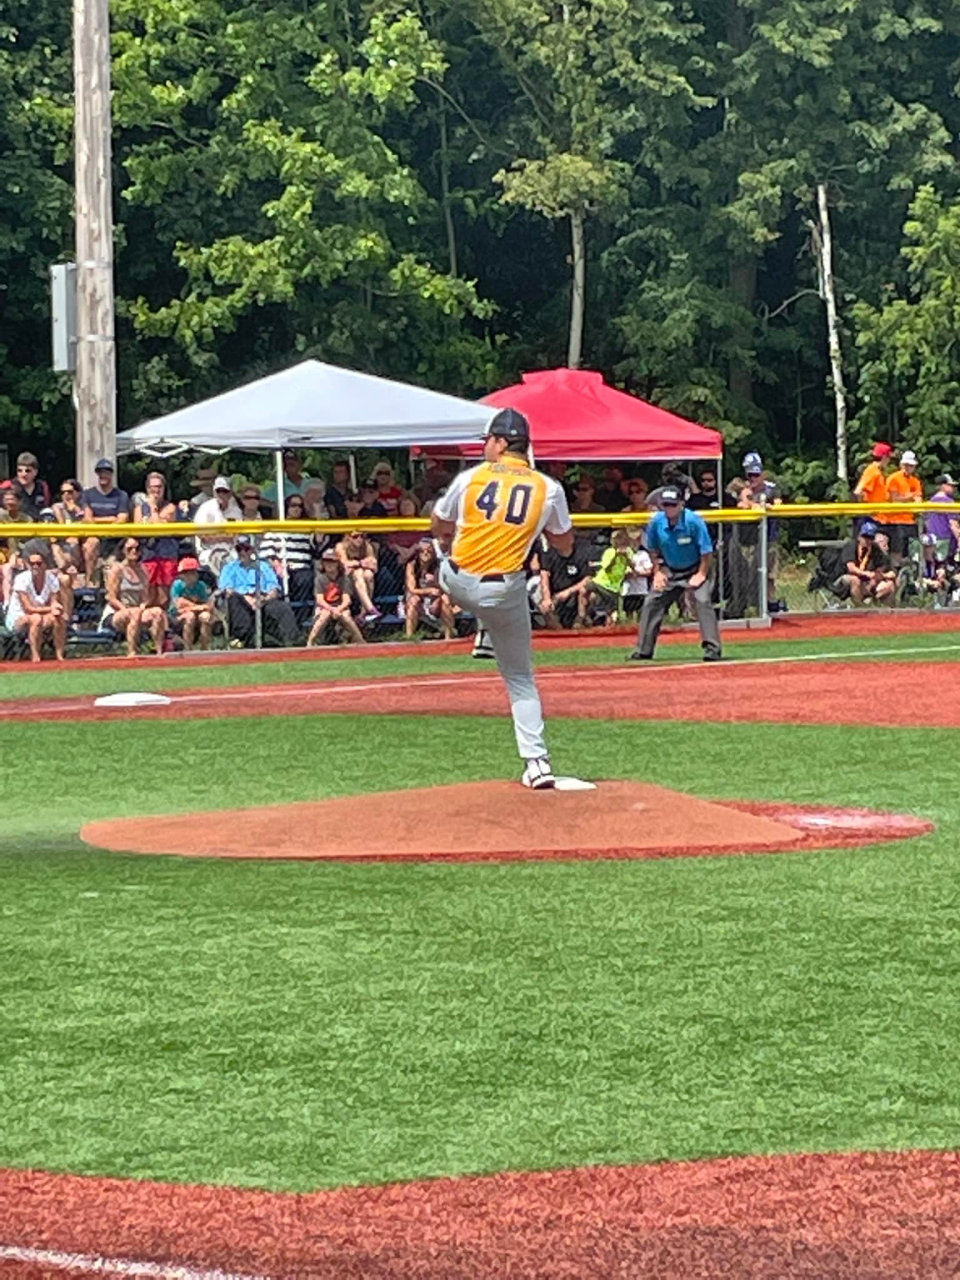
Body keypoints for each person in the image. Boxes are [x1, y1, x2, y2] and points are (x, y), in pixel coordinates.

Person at [431, 408, 574, 789]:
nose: (484, 448)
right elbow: (564, 542)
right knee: (521, 679)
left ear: (499, 442)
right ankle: (537, 764)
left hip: (455, 581)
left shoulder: (472, 477)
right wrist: (539, 530)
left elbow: (438, 524)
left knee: (443, 561)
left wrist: (448, 536)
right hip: (504, 591)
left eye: (487, 442)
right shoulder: (548, 488)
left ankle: (484, 631)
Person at [630, 485, 722, 662]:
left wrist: (701, 574)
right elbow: (653, 550)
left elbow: (706, 552)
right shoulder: (656, 522)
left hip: (697, 566)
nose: (669, 509)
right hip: (671, 569)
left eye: (673, 505)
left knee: (702, 600)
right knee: (652, 600)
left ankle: (712, 648)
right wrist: (657, 572)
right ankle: (644, 649)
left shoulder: (693, 521)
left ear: (681, 504)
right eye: (665, 505)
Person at [219, 535, 300, 648]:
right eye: (239, 549)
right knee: (233, 599)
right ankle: (243, 639)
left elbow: (274, 589)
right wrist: (247, 598)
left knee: (282, 607)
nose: (242, 552)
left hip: (263, 600)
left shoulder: (263, 566)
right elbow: (227, 590)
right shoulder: (229, 568)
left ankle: (293, 643)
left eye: (246, 549)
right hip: (240, 601)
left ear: (252, 550)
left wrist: (264, 599)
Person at [102, 537, 167, 657]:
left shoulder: (142, 570)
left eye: (137, 548)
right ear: (123, 551)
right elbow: (111, 598)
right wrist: (125, 609)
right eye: (130, 549)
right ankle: (131, 652)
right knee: (134, 613)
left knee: (157, 612)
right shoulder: (117, 570)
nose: (134, 551)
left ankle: (159, 651)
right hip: (116, 612)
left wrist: (144, 605)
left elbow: (145, 597)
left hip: (137, 610)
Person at [5, 544, 67, 662]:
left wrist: (56, 609)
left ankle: (59, 655)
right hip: (19, 617)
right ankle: (35, 656)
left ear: (45, 565)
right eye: (32, 563)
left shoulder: (51, 579)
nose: (35, 567)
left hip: (41, 614)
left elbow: (54, 602)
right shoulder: (21, 579)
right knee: (36, 619)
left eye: (38, 563)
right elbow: (28, 608)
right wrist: (51, 609)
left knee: (58, 618)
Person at [258, 494, 316, 609]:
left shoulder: (306, 529)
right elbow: (266, 553)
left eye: (300, 506)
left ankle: (302, 616)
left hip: (302, 568)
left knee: (306, 578)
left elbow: (315, 549)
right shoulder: (276, 528)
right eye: (293, 505)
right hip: (282, 568)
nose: (297, 509)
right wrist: (276, 564)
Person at [134, 471, 180, 607]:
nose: (156, 490)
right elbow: (138, 530)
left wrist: (153, 511)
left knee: (164, 597)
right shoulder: (139, 508)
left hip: (166, 555)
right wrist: (156, 519)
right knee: (148, 595)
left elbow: (158, 527)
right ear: (147, 489)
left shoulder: (170, 507)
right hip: (148, 555)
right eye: (153, 487)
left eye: (159, 487)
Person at [81, 458, 130, 584]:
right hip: (95, 537)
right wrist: (110, 519)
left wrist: (97, 521)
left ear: (111, 474)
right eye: (101, 472)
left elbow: (122, 519)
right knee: (90, 544)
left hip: (115, 540)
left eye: (107, 472)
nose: (103, 475)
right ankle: (89, 582)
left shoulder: (121, 495)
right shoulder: (88, 494)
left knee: (112, 569)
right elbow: (87, 518)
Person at [307, 547, 366, 647]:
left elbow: (347, 600)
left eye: (332, 562)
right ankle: (310, 642)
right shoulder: (320, 579)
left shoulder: (344, 579)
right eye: (326, 562)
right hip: (325, 607)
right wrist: (331, 609)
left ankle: (360, 640)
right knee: (324, 615)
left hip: (340, 606)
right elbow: (320, 600)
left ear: (337, 563)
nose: (329, 565)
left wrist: (338, 609)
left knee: (346, 616)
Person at [834, 520, 896, 605]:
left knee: (889, 585)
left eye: (870, 537)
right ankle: (859, 607)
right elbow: (851, 567)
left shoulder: (875, 549)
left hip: (867, 581)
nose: (867, 540)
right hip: (847, 578)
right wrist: (865, 574)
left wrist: (877, 576)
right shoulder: (851, 545)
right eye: (865, 536)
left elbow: (882, 568)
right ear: (859, 536)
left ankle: (876, 606)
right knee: (855, 580)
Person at [405, 538, 456, 639]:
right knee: (413, 600)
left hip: (435, 599)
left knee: (445, 599)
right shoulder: (412, 565)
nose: (425, 553)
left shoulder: (439, 565)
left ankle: (449, 635)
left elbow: (446, 588)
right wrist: (428, 590)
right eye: (422, 551)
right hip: (419, 600)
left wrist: (435, 583)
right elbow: (412, 589)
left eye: (429, 551)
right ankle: (409, 637)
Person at [193, 476, 243, 577]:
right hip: (207, 551)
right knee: (219, 559)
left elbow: (233, 537)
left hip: (231, 551)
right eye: (218, 491)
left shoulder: (236, 511)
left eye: (224, 491)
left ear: (230, 493)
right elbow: (203, 537)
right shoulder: (206, 508)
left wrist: (215, 535)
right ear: (214, 492)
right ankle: (223, 588)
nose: (221, 494)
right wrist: (223, 535)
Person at [539, 538, 593, 629]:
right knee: (544, 607)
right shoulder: (549, 555)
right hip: (556, 595)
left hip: (575, 594)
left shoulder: (581, 553)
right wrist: (547, 598)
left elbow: (588, 578)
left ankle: (580, 622)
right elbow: (544, 577)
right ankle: (559, 632)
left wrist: (568, 592)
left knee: (588, 593)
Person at [883, 450, 922, 566]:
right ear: (901, 465)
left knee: (913, 550)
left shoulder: (915, 481)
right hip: (895, 521)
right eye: (906, 465)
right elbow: (894, 499)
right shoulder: (893, 478)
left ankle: (912, 572)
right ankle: (895, 572)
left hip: (909, 521)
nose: (908, 468)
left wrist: (915, 502)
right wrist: (911, 496)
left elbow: (918, 498)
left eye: (911, 465)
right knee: (896, 550)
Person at [168, 555, 215, 650]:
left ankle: (205, 649)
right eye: (186, 572)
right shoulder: (177, 585)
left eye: (193, 572)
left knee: (206, 616)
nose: (190, 575)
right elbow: (178, 606)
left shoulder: (201, 586)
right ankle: (188, 649)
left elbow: (208, 606)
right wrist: (197, 607)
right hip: (176, 618)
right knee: (190, 616)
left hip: (196, 615)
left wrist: (191, 606)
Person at [589, 529, 635, 624]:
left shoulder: (628, 552)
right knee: (587, 589)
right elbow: (606, 568)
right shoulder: (609, 552)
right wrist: (615, 556)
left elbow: (632, 566)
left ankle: (610, 627)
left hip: (614, 587)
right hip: (601, 583)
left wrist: (625, 557)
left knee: (611, 611)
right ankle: (584, 617)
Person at [336, 530, 380, 621]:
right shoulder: (341, 546)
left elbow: (375, 567)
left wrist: (356, 564)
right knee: (358, 572)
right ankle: (369, 608)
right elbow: (345, 565)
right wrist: (361, 563)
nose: (359, 539)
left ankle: (365, 610)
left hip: (362, 582)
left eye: (361, 536)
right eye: (355, 536)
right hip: (344, 581)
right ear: (348, 537)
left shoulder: (367, 546)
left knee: (369, 574)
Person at [4, 452, 51, 519]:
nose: (23, 474)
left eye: (28, 471)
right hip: (15, 526)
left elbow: (47, 507)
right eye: (20, 471)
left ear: (36, 472)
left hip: (38, 526)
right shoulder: (7, 486)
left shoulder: (43, 486)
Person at [925, 474, 960, 559]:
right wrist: (959, 538)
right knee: (945, 567)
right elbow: (953, 524)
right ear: (943, 486)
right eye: (951, 485)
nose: (953, 488)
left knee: (933, 566)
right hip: (946, 539)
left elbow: (926, 522)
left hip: (930, 539)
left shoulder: (929, 503)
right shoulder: (949, 503)